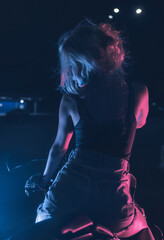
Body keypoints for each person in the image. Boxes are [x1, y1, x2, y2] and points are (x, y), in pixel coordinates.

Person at [9, 20, 155, 239]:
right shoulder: (139, 93)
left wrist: (44, 180)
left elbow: (59, 148)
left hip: (68, 196)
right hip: (113, 202)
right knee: (143, 228)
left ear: (80, 63)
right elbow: (140, 122)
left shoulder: (72, 100)